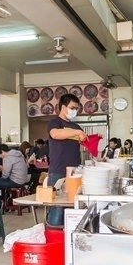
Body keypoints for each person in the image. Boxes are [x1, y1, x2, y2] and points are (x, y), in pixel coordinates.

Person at [46, 93, 87, 226]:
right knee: (57, 209)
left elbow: (85, 142)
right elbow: (55, 134)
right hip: (58, 171)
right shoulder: (55, 123)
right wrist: (77, 133)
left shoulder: (76, 126)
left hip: (75, 173)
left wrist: (93, 138)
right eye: (72, 107)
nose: (75, 111)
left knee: (72, 208)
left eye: (77, 108)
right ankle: (52, 237)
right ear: (63, 107)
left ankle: (67, 238)